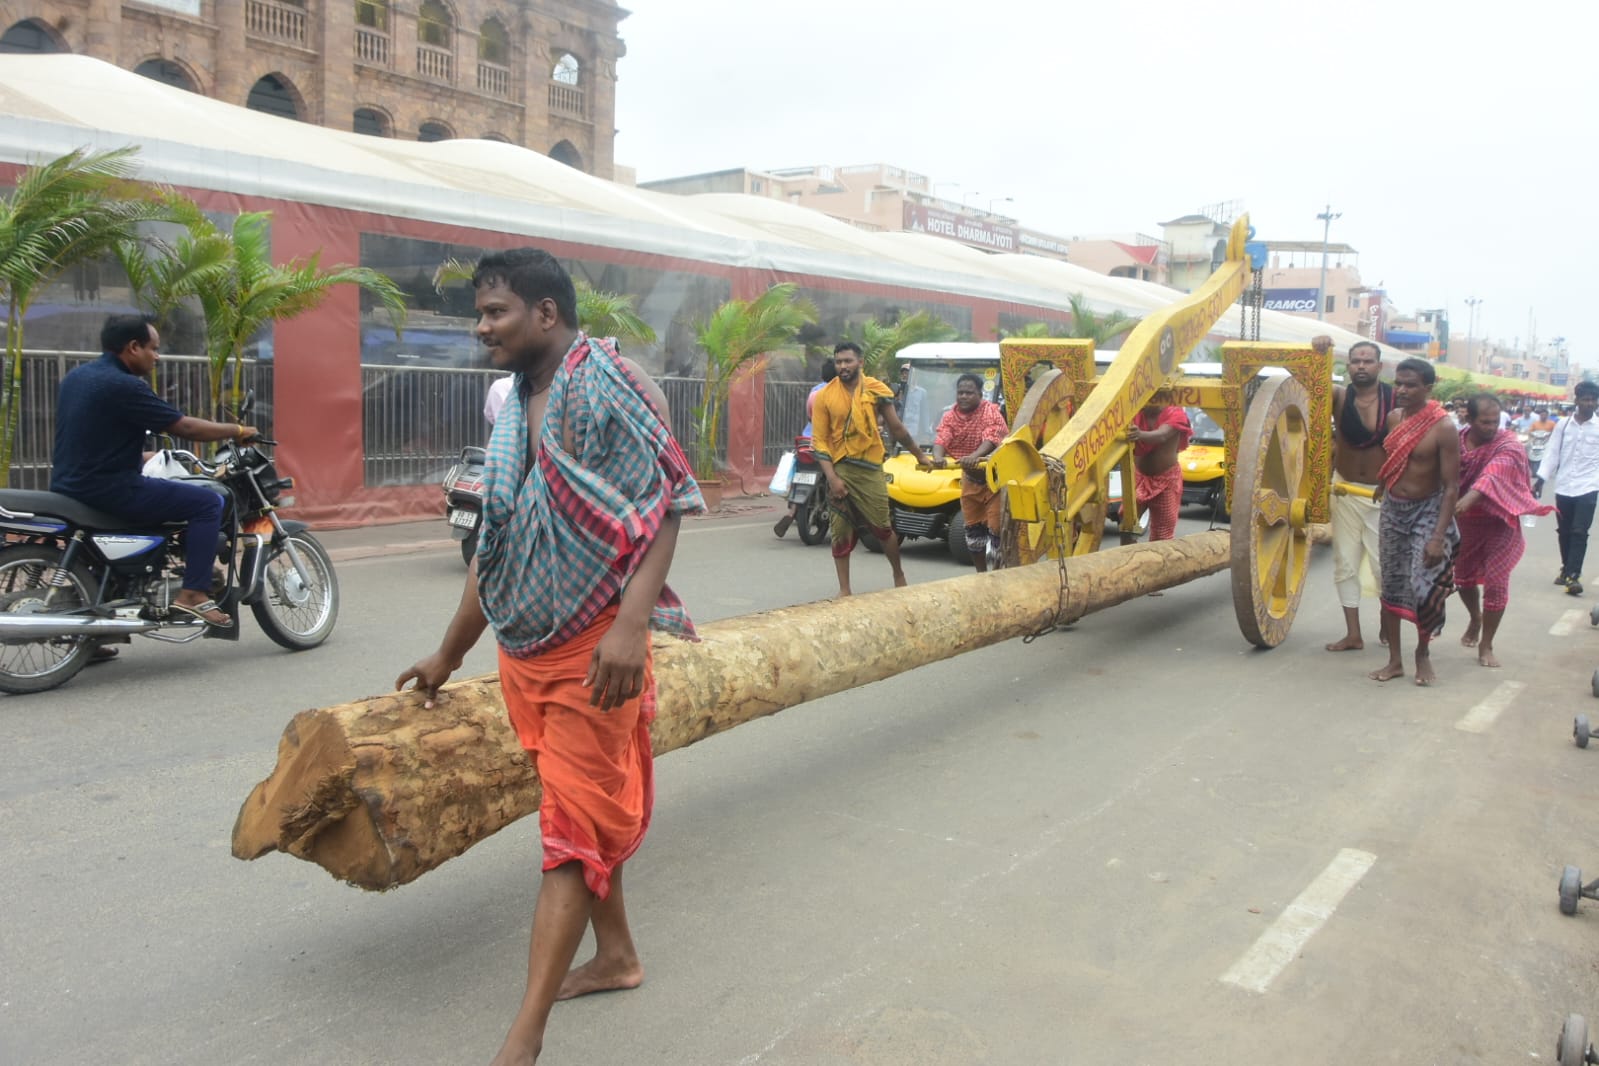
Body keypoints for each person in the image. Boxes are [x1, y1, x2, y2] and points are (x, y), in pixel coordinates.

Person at [395, 248, 702, 1066]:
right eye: (480, 313)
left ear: (545, 312)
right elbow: (495, 545)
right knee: (584, 815)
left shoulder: (609, 384)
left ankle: (522, 1039)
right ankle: (617, 957)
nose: (481, 327)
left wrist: (629, 627)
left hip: (592, 654)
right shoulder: (516, 402)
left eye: (494, 312)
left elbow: (667, 503)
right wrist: (449, 652)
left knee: (569, 832)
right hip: (524, 652)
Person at [52, 314, 258, 630]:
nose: (157, 357)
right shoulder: (124, 385)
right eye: (154, 348)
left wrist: (140, 457)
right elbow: (185, 427)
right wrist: (238, 430)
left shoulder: (78, 377)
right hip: (108, 488)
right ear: (133, 347)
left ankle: (95, 633)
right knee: (207, 503)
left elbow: (92, 437)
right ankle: (193, 594)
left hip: (71, 484)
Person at [811, 341, 930, 596]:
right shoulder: (825, 396)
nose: (843, 366)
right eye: (838, 362)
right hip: (840, 468)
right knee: (839, 530)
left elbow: (896, 428)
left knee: (883, 528)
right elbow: (819, 441)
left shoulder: (876, 389)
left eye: (848, 361)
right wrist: (832, 478)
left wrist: (920, 455)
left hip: (870, 468)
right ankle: (845, 590)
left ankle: (898, 574)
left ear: (860, 362)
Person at [1369, 358, 1460, 686]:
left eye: (1411, 385)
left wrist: (1438, 536)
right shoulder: (1394, 418)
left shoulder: (1444, 427)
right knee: (1391, 583)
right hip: (1394, 509)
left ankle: (1422, 653)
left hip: (1428, 511)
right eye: (1399, 384)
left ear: (1428, 388)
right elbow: (1394, 458)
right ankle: (1395, 661)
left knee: (1425, 587)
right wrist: (1383, 484)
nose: (1403, 390)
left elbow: (1451, 487)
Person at [1455, 394, 1552, 667]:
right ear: (1469, 419)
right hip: (1464, 522)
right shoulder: (1454, 441)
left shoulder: (1508, 443)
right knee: (1463, 579)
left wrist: (1470, 497)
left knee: (1497, 584)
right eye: (1484, 422)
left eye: (1495, 421)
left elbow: (1495, 473)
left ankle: (1486, 644)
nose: (1491, 427)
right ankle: (1475, 617)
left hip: (1500, 522)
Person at [1323, 338, 1393, 653]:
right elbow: (1308, 387)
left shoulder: (1395, 401)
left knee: (1382, 567)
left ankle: (1387, 623)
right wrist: (1318, 353)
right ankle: (1353, 634)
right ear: (1348, 366)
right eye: (1355, 361)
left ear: (1379, 366)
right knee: (1345, 565)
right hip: (1344, 490)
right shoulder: (1338, 396)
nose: (1361, 366)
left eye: (1367, 361)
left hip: (1383, 495)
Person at [930, 372, 1008, 572]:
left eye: (969, 393)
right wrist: (937, 457)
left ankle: (997, 575)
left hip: (995, 481)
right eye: (961, 392)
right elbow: (942, 437)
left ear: (980, 394)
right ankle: (981, 576)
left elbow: (991, 438)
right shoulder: (950, 415)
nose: (964, 396)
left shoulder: (990, 412)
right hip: (970, 480)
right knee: (973, 532)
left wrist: (974, 456)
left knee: (996, 529)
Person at [1534, 380, 1599, 596]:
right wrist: (1540, 479)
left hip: (1589, 485)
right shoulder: (1563, 425)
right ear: (1577, 400)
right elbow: (1552, 453)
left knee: (1579, 531)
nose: (1589, 403)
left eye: (1593, 400)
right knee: (1564, 531)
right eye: (1585, 399)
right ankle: (1566, 568)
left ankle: (1573, 576)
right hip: (1564, 485)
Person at [772, 359, 836, 539]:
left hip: (806, 441)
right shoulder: (839, 392)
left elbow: (809, 415)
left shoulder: (815, 390)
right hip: (827, 442)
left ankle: (792, 511)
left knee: (802, 473)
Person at [1123, 401, 1192, 545]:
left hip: (1166, 480)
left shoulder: (1175, 412)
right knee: (1126, 524)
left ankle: (1158, 559)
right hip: (1140, 477)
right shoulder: (1134, 413)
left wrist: (1139, 434)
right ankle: (1128, 557)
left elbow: (1162, 435)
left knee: (1162, 535)